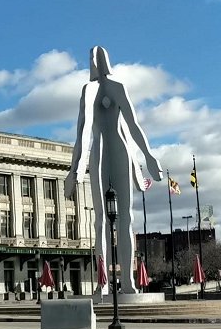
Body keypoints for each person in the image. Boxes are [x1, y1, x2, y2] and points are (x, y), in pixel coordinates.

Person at [65, 46, 164, 294]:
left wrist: (149, 156)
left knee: (126, 219)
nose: (94, 61)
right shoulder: (88, 91)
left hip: (120, 150)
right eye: (90, 58)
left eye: (97, 57)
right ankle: (103, 282)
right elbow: (83, 131)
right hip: (99, 153)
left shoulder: (118, 87)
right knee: (100, 221)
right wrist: (75, 169)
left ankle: (128, 282)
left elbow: (133, 125)